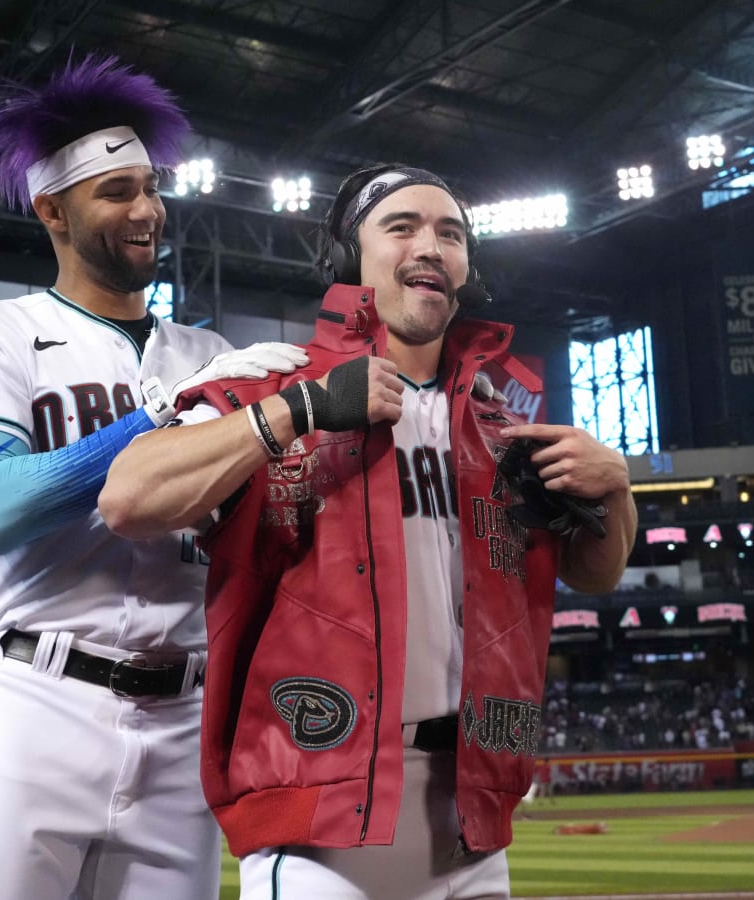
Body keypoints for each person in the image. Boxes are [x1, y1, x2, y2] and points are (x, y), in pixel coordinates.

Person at [101, 162, 637, 898]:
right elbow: (128, 496)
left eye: (451, 233)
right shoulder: (275, 382)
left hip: (470, 814)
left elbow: (595, 571)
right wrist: (297, 410)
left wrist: (616, 490)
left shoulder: (500, 428)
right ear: (352, 257)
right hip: (321, 814)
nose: (431, 245)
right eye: (402, 226)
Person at [0, 55, 306, 900]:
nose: (148, 211)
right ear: (51, 208)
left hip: (182, 720)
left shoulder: (214, 356)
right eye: (118, 192)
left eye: (151, 187)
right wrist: (159, 417)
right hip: (33, 708)